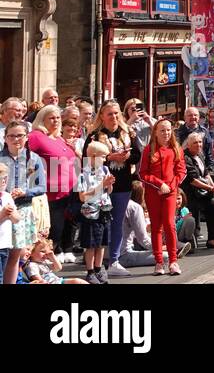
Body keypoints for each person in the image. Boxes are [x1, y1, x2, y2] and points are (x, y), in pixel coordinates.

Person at [86, 101, 140, 278]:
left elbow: (137, 155)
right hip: (100, 187)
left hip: (122, 184)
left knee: (117, 223)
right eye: (110, 114)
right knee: (101, 224)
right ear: (102, 116)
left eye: (116, 113)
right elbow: (87, 161)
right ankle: (97, 264)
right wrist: (109, 157)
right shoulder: (94, 136)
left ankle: (114, 261)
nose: (114, 117)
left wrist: (127, 156)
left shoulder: (128, 133)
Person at [29, 105, 79, 264]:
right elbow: (25, 158)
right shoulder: (36, 136)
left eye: (58, 117)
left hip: (69, 190)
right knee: (53, 228)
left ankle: (63, 250)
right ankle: (46, 257)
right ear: (42, 119)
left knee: (66, 224)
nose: (56, 120)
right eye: (51, 117)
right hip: (51, 191)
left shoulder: (58, 137)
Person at [138, 118, 186, 276]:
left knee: (169, 225)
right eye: (162, 130)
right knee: (156, 227)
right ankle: (159, 262)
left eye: (168, 130)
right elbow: (143, 173)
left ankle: (173, 261)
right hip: (153, 192)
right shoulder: (149, 149)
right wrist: (159, 184)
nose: (166, 133)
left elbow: (181, 172)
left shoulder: (176, 148)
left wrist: (170, 187)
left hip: (170, 192)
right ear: (155, 133)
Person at [0, 122, 43, 285]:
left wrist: (25, 192)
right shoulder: (0, 157)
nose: (16, 139)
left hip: (22, 211)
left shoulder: (33, 158)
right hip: (2, 209)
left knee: (14, 256)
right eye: (11, 135)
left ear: (26, 137)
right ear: (5, 138)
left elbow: (41, 186)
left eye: (20, 135)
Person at [74, 141, 114, 283]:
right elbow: (83, 196)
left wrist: (108, 185)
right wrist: (101, 185)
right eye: (103, 157)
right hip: (90, 212)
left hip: (104, 210)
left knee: (102, 242)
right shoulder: (82, 173)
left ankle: (99, 267)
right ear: (94, 156)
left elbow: (108, 191)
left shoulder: (104, 170)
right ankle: (90, 271)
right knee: (91, 244)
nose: (105, 160)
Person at [180, 132, 214, 250]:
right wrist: (210, 188)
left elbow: (205, 173)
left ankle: (212, 239)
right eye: (195, 142)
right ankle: (190, 243)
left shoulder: (200, 155)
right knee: (192, 215)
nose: (198, 145)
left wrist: (213, 185)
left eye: (200, 142)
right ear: (188, 145)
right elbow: (192, 180)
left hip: (203, 192)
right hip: (190, 193)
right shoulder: (185, 158)